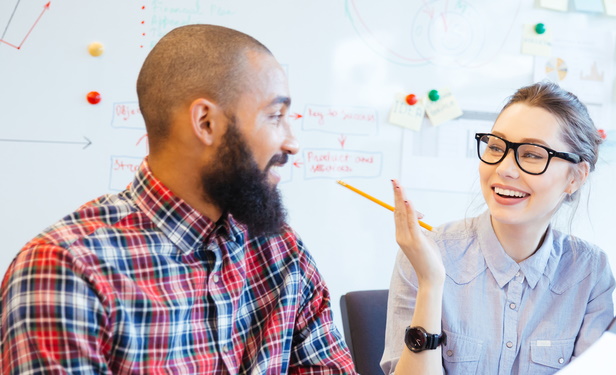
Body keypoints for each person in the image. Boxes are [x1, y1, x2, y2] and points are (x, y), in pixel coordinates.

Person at [0, 24, 356, 374]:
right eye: (275, 116)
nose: (292, 143)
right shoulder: (66, 269)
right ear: (205, 123)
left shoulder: (281, 250)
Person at [380, 81, 615, 375]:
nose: (504, 168)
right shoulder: (426, 253)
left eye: (531, 154)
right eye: (496, 146)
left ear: (575, 177)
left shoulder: (590, 271)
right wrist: (430, 282)